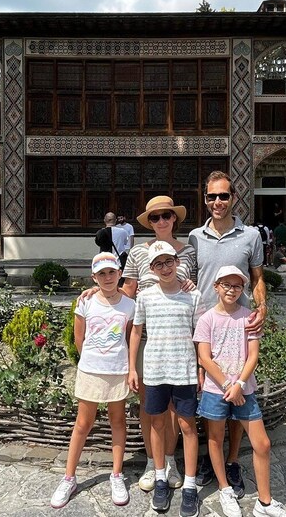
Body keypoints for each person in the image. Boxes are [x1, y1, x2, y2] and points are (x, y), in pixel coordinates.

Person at [82, 195, 197, 493]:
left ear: (174, 218)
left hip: (179, 340)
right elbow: (128, 289)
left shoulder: (188, 252)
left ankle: (170, 461)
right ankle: (151, 462)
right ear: (149, 222)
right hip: (148, 340)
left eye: (166, 216)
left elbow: (192, 290)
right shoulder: (137, 253)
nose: (161, 221)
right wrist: (100, 288)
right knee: (150, 405)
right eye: (155, 217)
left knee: (174, 408)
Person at [189, 171, 267, 497]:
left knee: (239, 394)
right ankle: (213, 458)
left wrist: (262, 308)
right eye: (212, 196)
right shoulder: (195, 237)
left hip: (239, 327)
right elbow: (187, 278)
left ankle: (232, 460)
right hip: (206, 328)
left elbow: (258, 277)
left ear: (233, 197)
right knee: (210, 396)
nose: (217, 202)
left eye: (223, 195)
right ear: (205, 199)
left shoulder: (250, 236)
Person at [194, 265, 286, 517]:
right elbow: (204, 357)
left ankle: (265, 502)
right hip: (216, 389)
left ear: (243, 289)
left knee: (262, 443)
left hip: (244, 389)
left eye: (237, 286)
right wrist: (227, 385)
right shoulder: (207, 319)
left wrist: (239, 384)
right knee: (215, 438)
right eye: (226, 285)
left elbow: (253, 356)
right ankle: (224, 487)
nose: (231, 290)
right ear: (216, 287)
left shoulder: (249, 317)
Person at [50, 253, 135, 509]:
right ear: (94, 277)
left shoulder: (129, 305)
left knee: (118, 421)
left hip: (117, 370)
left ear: (119, 274)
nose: (107, 278)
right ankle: (69, 477)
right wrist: (90, 360)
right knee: (82, 424)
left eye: (111, 272)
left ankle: (117, 474)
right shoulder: (85, 302)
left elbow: (128, 337)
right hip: (91, 370)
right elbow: (79, 338)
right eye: (102, 274)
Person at [128, 241, 202, 516]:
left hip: (184, 370)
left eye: (169, 261)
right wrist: (132, 368)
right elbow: (137, 332)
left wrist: (201, 368)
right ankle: (160, 477)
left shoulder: (193, 296)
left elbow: (200, 335)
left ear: (177, 262)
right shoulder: (145, 296)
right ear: (151, 269)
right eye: (158, 264)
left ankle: (190, 485)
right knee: (157, 424)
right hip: (155, 370)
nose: (165, 267)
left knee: (187, 425)